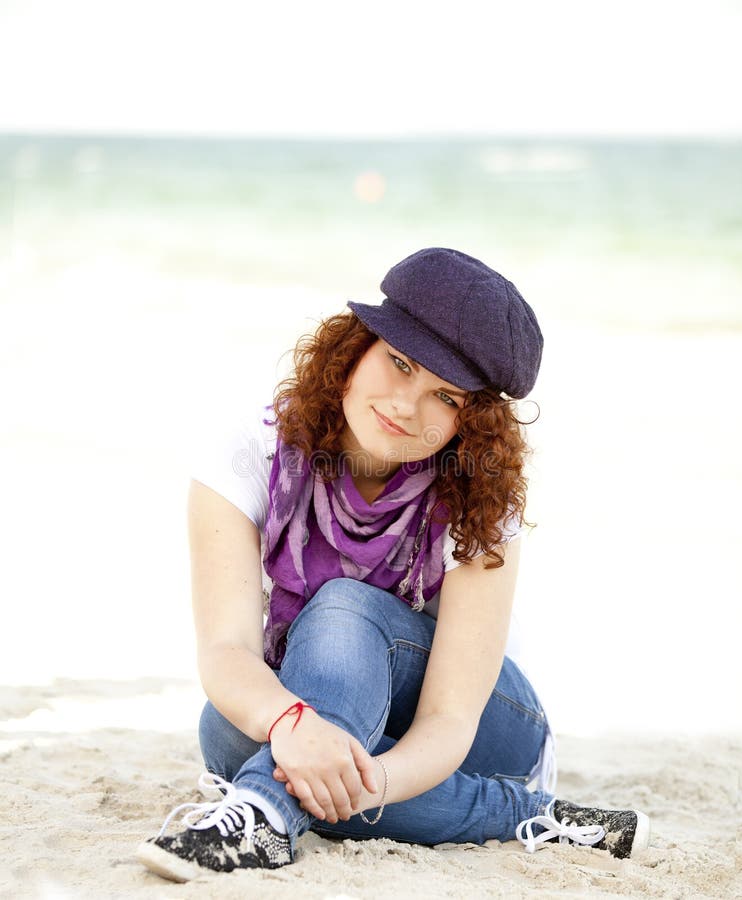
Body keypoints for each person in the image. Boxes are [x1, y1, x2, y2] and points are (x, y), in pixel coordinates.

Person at [136, 247, 650, 882]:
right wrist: (301, 736)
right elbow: (226, 652)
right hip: (328, 708)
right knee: (228, 734)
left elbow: (450, 719)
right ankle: (521, 816)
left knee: (344, 606)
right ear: (356, 346)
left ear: (475, 419)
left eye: (446, 396)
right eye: (399, 362)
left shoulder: (479, 492)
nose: (407, 406)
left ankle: (266, 813)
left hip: (483, 730)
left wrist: (367, 779)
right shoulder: (249, 453)